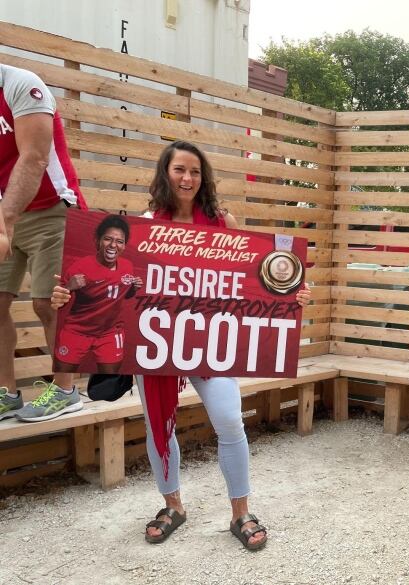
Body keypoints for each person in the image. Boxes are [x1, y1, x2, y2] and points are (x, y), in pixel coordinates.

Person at [52, 140, 311, 551]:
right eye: (179, 170)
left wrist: (290, 295)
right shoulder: (144, 225)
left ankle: (241, 512)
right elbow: (117, 283)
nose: (187, 178)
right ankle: (173, 505)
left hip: (210, 340)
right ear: (165, 174)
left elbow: (251, 281)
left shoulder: (224, 222)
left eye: (194, 171)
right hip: (156, 339)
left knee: (229, 420)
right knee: (158, 426)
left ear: (203, 177)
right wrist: (68, 298)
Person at [0, 63, 87, 423]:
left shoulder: (21, 84)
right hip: (5, 210)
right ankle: (7, 394)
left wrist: (4, 222)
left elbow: (34, 158)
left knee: (46, 302)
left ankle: (66, 390)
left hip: (52, 207)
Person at [54, 214, 142, 374]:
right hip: (77, 331)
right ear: (98, 240)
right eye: (108, 239)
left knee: (110, 380)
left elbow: (122, 295)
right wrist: (68, 287)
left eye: (119, 241)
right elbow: (57, 307)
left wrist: (133, 289)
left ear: (124, 245)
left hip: (109, 333)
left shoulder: (127, 266)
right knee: (62, 376)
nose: (113, 245)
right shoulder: (79, 268)